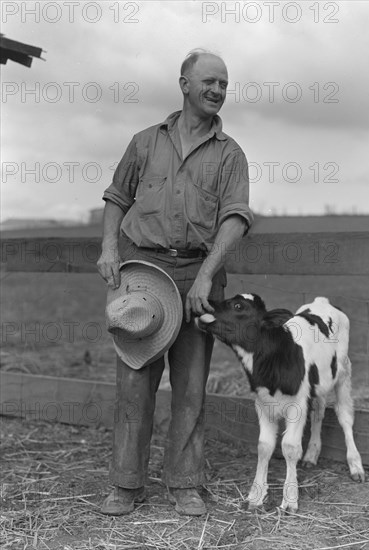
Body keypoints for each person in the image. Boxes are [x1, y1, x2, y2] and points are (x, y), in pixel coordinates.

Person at [97, 48, 253, 516]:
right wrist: (109, 247)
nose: (217, 90)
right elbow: (116, 195)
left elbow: (236, 218)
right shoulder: (145, 142)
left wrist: (205, 276)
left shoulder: (231, 155)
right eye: (209, 81)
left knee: (191, 384)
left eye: (224, 84)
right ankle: (126, 484)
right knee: (134, 381)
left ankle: (185, 482)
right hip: (143, 271)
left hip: (198, 273)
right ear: (184, 84)